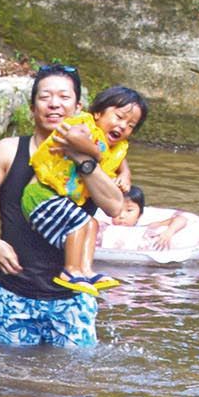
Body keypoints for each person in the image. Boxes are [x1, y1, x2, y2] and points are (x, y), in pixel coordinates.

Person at [0, 63, 127, 347]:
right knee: (6, 382)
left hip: (72, 300)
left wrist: (81, 158)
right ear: (32, 107)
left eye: (64, 97)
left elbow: (115, 207)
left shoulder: (96, 157)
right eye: (45, 97)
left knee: (73, 383)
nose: (54, 104)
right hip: (15, 293)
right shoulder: (9, 150)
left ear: (79, 108)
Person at [23, 85, 148, 296]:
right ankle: (70, 270)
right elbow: (72, 135)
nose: (123, 126)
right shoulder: (85, 125)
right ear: (97, 113)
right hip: (40, 194)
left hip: (58, 198)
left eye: (130, 125)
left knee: (92, 223)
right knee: (80, 224)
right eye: (118, 117)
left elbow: (119, 161)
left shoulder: (115, 147)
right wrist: (95, 155)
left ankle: (86, 270)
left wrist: (125, 175)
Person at [95, 186, 199, 253]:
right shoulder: (104, 226)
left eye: (129, 211)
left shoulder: (149, 228)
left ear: (139, 215)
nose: (122, 216)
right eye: (118, 210)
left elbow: (182, 219)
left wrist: (169, 232)